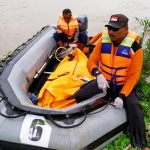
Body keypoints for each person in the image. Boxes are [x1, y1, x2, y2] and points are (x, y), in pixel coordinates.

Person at [74, 14, 149, 150]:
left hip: (124, 85)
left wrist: (122, 95)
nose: (111, 32)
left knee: (134, 107)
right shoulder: (103, 41)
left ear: (126, 29)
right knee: (79, 95)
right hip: (105, 82)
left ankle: (141, 143)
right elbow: (91, 61)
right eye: (109, 28)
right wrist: (97, 74)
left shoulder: (135, 48)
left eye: (115, 29)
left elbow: (133, 76)